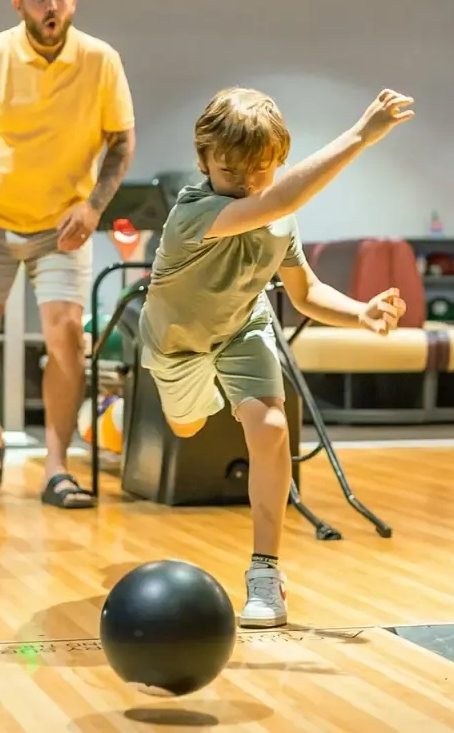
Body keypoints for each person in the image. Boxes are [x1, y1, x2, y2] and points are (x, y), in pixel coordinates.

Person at [138, 86, 415, 627]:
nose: (245, 181)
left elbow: (305, 293)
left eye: (260, 169)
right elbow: (278, 201)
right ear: (204, 160)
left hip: (244, 325)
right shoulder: (191, 213)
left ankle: (265, 573)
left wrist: (360, 313)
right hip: (178, 341)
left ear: (279, 161)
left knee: (270, 429)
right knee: (188, 426)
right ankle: (184, 401)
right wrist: (361, 134)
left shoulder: (280, 222)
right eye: (230, 168)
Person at [0, 0, 135, 508]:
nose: (51, 6)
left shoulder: (100, 60)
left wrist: (93, 208)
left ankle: (56, 465)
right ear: (19, 5)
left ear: (73, 1)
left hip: (62, 226)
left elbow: (122, 141)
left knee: (67, 335)